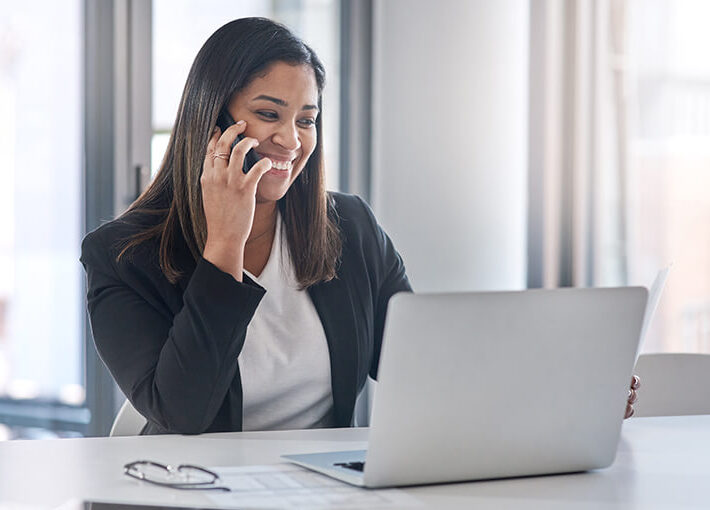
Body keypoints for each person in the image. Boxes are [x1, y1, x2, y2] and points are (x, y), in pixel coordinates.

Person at [80, 17, 638, 435]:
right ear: (212, 120)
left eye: (307, 119)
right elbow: (184, 413)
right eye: (269, 114)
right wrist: (224, 243)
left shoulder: (349, 228)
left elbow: (428, 371)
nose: (292, 141)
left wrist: (569, 391)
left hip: (324, 491)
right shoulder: (121, 257)